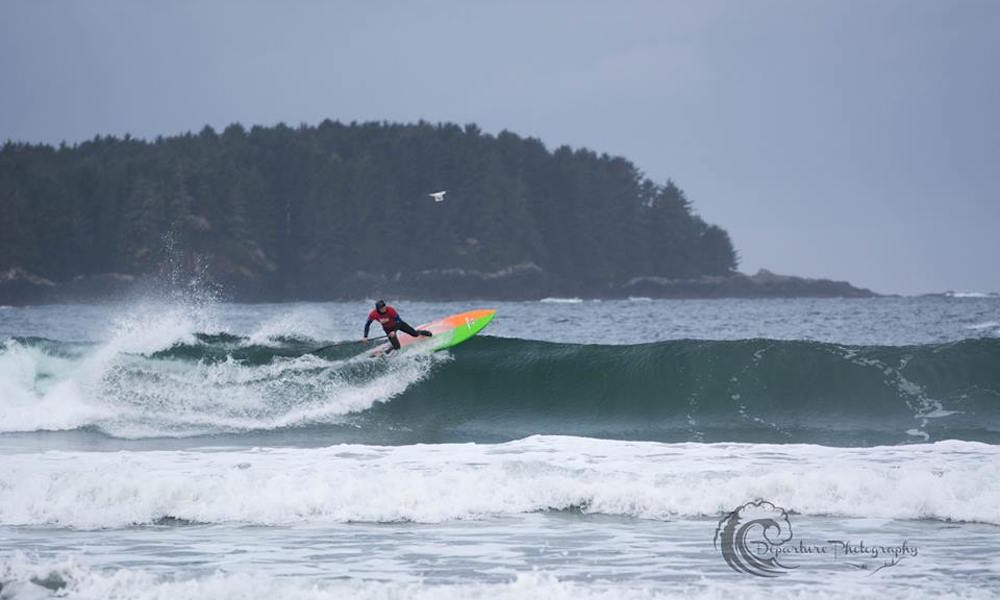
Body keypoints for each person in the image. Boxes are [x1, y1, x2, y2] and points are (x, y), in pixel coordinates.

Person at [362, 299, 432, 352]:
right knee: (397, 347)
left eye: (384, 306)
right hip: (388, 329)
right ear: (378, 309)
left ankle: (423, 332)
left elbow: (398, 321)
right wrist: (365, 336)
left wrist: (394, 331)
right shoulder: (373, 314)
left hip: (399, 324)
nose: (384, 309)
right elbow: (367, 325)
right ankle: (389, 349)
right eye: (382, 308)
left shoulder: (390, 310)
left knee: (415, 334)